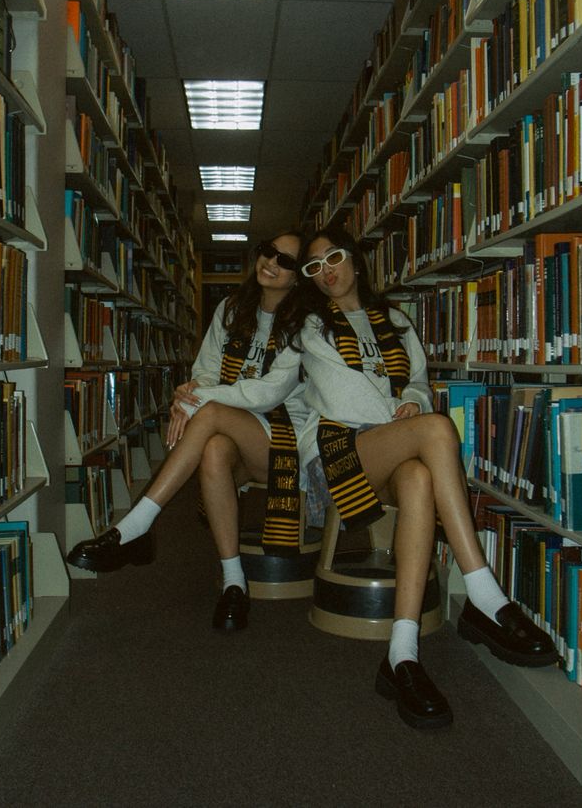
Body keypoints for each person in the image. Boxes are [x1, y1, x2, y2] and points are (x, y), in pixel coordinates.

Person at [157, 224, 557, 728]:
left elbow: (416, 381)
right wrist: (407, 414)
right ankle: (485, 595)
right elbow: (345, 397)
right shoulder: (308, 325)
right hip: (337, 454)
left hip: (388, 449)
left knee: (416, 478)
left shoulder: (397, 321)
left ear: (357, 261)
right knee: (435, 433)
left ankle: (402, 655)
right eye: (314, 267)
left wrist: (411, 400)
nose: (326, 272)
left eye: (333, 258)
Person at [66, 232, 307, 632]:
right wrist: (196, 389)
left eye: (286, 260)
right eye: (268, 251)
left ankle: (137, 525)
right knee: (212, 448)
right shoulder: (232, 309)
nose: (272, 262)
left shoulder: (305, 322)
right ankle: (234, 581)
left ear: (298, 276)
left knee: (209, 415)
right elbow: (207, 366)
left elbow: (270, 392)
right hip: (232, 429)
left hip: (284, 439)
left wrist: (198, 400)